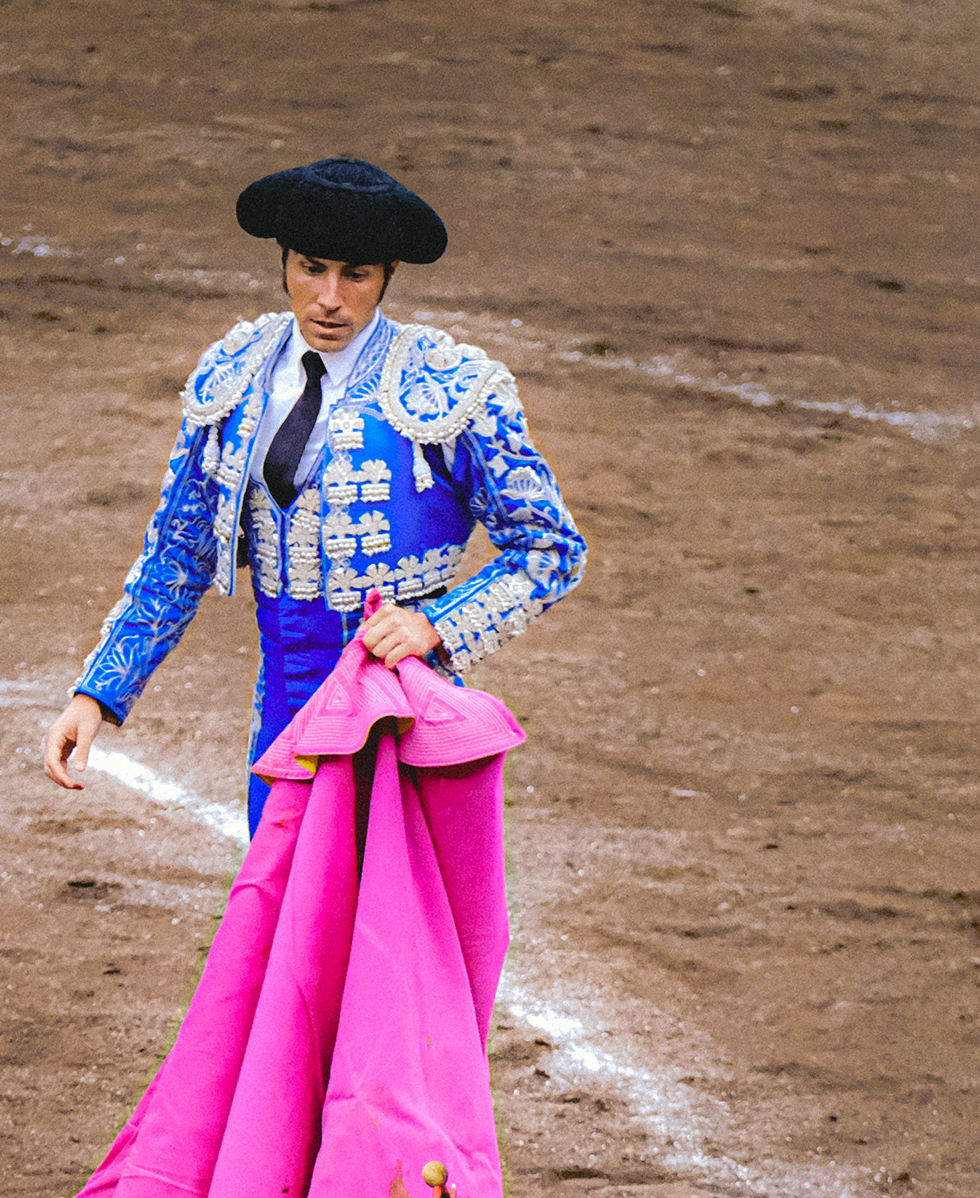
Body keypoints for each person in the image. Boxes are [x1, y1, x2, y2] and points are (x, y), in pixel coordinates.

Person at [40, 157, 585, 831]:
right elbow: (180, 553)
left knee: (386, 922)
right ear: (283, 261)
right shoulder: (235, 375)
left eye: (354, 275)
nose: (329, 297)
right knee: (283, 913)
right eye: (310, 267)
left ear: (388, 275)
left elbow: (550, 547)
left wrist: (435, 624)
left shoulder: (449, 389)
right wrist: (98, 693)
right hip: (284, 707)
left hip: (395, 711)